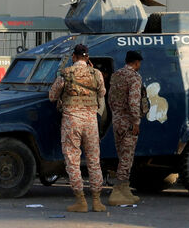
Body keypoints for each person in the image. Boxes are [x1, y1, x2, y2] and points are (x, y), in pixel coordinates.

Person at [48, 43, 107, 213]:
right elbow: (102, 93)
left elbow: (52, 96)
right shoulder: (96, 74)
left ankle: (81, 201)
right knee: (94, 161)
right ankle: (97, 201)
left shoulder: (66, 73)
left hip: (71, 121)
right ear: (87, 58)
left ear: (74, 57)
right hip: (90, 122)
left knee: (73, 160)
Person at [107, 50, 146, 205]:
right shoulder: (134, 77)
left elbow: (110, 98)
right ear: (136, 62)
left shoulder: (116, 75)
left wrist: (116, 114)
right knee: (127, 158)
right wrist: (135, 122)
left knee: (122, 155)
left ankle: (126, 191)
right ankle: (117, 192)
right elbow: (134, 102)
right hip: (128, 122)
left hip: (117, 121)